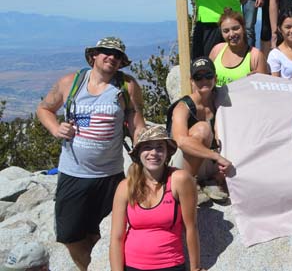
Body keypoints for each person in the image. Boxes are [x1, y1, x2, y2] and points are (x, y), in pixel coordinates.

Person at [36, 37, 146, 271]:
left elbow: (137, 124)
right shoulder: (71, 82)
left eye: (117, 55)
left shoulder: (127, 86)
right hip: (73, 173)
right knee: (70, 235)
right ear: (93, 56)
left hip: (110, 176)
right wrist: (56, 128)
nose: (112, 57)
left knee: (104, 234)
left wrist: (145, 158)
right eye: (106, 52)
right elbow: (44, 108)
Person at [109, 125, 201, 271]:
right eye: (147, 147)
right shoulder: (125, 187)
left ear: (167, 153)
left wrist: (195, 268)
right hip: (131, 265)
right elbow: (116, 237)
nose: (154, 153)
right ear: (138, 152)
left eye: (159, 147)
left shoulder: (180, 179)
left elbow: (191, 227)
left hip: (171, 264)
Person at [169, 57, 231, 203]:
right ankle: (190, 184)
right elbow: (181, 141)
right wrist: (215, 157)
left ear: (215, 78)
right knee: (203, 128)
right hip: (183, 164)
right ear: (192, 81)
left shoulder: (221, 101)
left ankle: (212, 181)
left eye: (208, 76)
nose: (204, 81)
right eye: (198, 77)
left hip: (210, 164)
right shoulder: (183, 107)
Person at [209, 8, 268, 86]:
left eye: (236, 28)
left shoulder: (255, 56)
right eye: (226, 31)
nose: (232, 34)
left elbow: (263, 91)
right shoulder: (217, 50)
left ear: (243, 28)